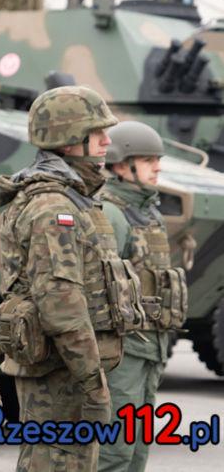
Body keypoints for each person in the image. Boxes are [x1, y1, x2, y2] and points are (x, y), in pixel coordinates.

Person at [0, 86, 144, 472]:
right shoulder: (53, 207)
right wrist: (92, 382)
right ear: (69, 139)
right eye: (98, 133)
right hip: (60, 371)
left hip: (68, 368)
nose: (107, 141)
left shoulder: (73, 198)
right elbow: (61, 304)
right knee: (56, 462)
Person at [98, 121, 187, 472]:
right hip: (124, 352)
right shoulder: (111, 213)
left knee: (137, 451)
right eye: (148, 160)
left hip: (150, 348)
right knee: (115, 452)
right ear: (121, 165)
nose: (157, 167)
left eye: (157, 159)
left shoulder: (148, 213)